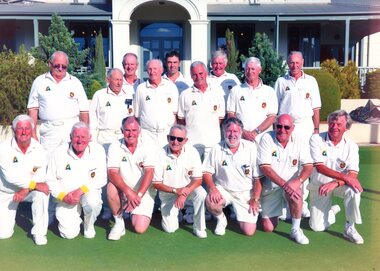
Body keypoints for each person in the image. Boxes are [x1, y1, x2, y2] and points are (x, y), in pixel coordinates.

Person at [274, 51, 321, 218]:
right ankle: (285, 204)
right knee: (286, 163)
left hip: (305, 127)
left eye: (297, 62)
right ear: (287, 63)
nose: (294, 66)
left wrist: (316, 130)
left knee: (304, 164)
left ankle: (302, 202)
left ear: (302, 62)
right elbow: (276, 108)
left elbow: (316, 108)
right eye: (291, 63)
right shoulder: (281, 81)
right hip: (286, 129)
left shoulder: (311, 81)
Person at [308, 110, 364, 244]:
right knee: (317, 227)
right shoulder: (316, 139)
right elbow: (320, 167)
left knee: (354, 190)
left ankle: (350, 226)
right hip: (319, 186)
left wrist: (335, 183)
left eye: (339, 124)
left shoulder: (352, 147)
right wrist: (345, 178)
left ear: (347, 127)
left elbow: (353, 173)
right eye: (331, 123)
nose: (334, 127)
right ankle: (333, 211)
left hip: (339, 185)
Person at [257, 114, 313, 245]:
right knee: (268, 228)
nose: (282, 130)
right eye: (279, 126)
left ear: (292, 128)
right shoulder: (266, 138)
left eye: (287, 127)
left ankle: (295, 229)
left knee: (296, 195)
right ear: (274, 126)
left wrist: (298, 181)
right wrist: (284, 185)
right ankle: (285, 211)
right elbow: (265, 168)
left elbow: (308, 166)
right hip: (271, 187)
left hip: (292, 187)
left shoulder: (300, 140)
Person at [46, 122, 106, 239]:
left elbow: (102, 178)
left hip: (87, 193)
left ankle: (89, 225)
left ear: (90, 138)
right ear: (70, 137)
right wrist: (63, 196)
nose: (79, 140)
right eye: (76, 136)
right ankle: (75, 216)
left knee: (92, 202)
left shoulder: (98, 150)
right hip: (66, 198)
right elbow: (50, 180)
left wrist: (80, 190)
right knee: (68, 235)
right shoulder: (58, 152)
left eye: (83, 137)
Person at [203, 117, 261, 236]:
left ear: (241, 132)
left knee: (249, 231)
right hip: (224, 190)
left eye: (235, 131)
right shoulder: (216, 148)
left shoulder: (251, 148)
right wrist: (213, 189)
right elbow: (206, 173)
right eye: (229, 131)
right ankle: (221, 219)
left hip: (245, 193)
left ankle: (239, 212)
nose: (232, 134)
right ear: (224, 132)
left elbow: (258, 178)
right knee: (211, 201)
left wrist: (255, 199)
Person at [27, 50, 89, 156]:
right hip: (49, 132)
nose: (60, 68)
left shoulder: (75, 82)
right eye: (57, 66)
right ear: (50, 64)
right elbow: (32, 109)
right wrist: (33, 134)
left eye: (63, 66)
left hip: (70, 131)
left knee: (70, 164)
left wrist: (85, 133)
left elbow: (84, 111)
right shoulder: (39, 81)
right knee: (47, 164)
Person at [0, 115, 49, 245]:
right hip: (6, 192)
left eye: (27, 128)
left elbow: (40, 176)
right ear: (14, 130)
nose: (24, 131)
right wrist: (31, 184)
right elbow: (9, 176)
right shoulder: (3, 148)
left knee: (42, 193)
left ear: (32, 130)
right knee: (3, 234)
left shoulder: (38, 148)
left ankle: (39, 234)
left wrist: (25, 190)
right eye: (20, 128)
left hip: (29, 191)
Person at [106, 117, 158, 240]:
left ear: (139, 131)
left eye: (134, 130)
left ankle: (130, 212)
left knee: (140, 228)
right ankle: (119, 223)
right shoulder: (114, 145)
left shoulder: (149, 146)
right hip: (124, 190)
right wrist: (128, 192)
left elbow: (149, 173)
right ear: (122, 130)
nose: (131, 134)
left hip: (143, 193)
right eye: (127, 130)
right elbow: (112, 173)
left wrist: (138, 195)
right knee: (110, 187)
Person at [153, 124, 207, 238]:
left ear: (185, 140)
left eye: (179, 139)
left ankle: (199, 228)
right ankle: (178, 213)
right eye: (172, 138)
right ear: (168, 138)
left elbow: (198, 180)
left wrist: (183, 193)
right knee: (170, 229)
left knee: (201, 194)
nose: (175, 142)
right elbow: (156, 184)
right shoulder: (159, 154)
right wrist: (175, 191)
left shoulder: (192, 152)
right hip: (169, 195)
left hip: (188, 190)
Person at [177, 61, 225, 159]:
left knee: (211, 174)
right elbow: (181, 120)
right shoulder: (185, 95)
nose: (198, 77)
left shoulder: (217, 93)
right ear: (191, 76)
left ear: (206, 73)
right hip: (192, 144)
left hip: (213, 143)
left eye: (200, 73)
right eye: (194, 74)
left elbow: (220, 118)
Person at [227, 57, 278, 143]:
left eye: (253, 69)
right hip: (241, 139)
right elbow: (231, 115)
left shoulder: (269, 91)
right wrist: (243, 132)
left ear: (260, 70)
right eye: (247, 69)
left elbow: (272, 117)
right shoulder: (236, 90)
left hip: (263, 139)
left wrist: (255, 132)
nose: (250, 72)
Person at [134, 59, 178, 147]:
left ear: (161, 70)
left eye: (155, 69)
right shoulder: (141, 89)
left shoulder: (171, 87)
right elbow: (137, 115)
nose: (152, 72)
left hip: (166, 134)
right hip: (147, 135)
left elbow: (175, 114)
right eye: (149, 69)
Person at [90, 68, 134, 152]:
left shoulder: (129, 95)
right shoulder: (99, 95)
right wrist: (93, 143)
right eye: (116, 80)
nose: (119, 83)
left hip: (124, 138)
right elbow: (93, 121)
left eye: (121, 80)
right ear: (108, 80)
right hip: (105, 139)